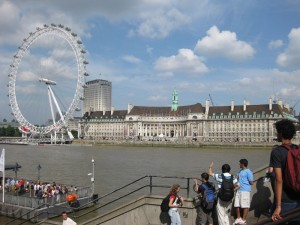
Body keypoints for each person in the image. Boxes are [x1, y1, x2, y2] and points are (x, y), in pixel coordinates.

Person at [270, 119, 300, 224]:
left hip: (285, 200)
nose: (276, 134)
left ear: (281, 134)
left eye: (277, 132)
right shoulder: (297, 149)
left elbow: (278, 180)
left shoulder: (277, 152)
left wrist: (278, 206)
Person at [233, 159, 254, 225]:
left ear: (242, 164)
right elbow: (236, 178)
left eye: (240, 163)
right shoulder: (240, 171)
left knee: (245, 205)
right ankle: (238, 218)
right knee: (237, 204)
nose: (239, 164)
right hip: (238, 190)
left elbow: (251, 182)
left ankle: (243, 220)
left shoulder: (249, 172)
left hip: (245, 191)